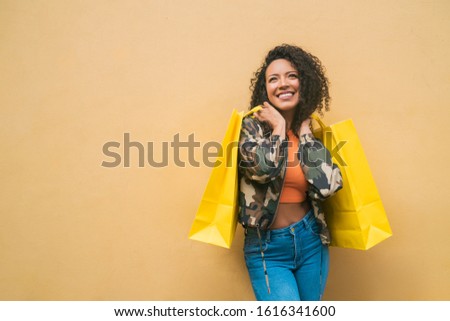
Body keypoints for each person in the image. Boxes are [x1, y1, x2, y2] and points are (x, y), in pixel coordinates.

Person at [238, 44, 343, 301]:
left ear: (303, 83)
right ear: (266, 90)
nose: (282, 84)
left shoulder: (312, 130)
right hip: (267, 247)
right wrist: (278, 129)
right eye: (273, 79)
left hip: (311, 241)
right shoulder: (250, 127)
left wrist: (305, 135)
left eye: (291, 76)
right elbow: (262, 170)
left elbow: (329, 186)